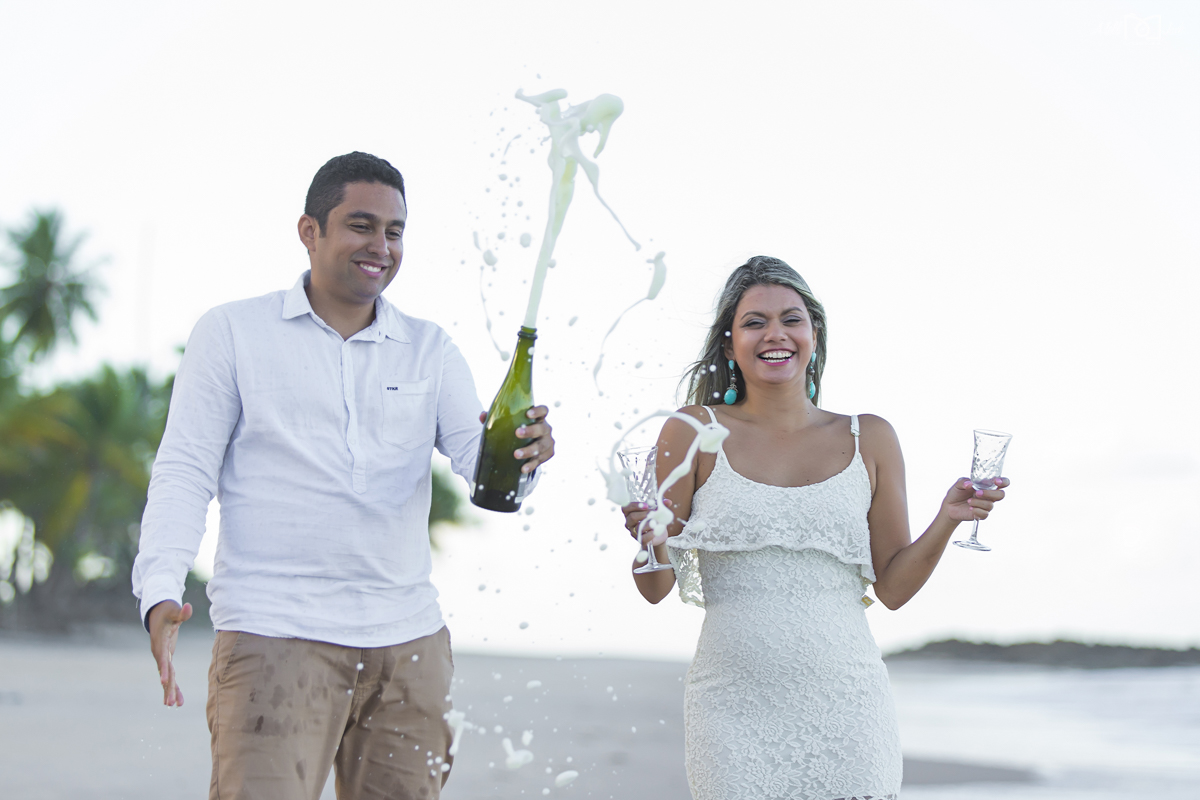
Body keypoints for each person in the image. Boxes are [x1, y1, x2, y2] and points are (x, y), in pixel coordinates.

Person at [131, 151, 555, 800]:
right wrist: (160, 588)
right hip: (273, 635)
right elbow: (185, 469)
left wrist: (525, 454)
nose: (381, 246)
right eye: (361, 225)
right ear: (310, 231)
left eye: (394, 231)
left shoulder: (430, 348)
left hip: (409, 646)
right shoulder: (233, 332)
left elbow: (482, 467)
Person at [621, 256, 1008, 800]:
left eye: (791, 319)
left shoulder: (870, 437)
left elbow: (894, 590)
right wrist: (650, 540)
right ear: (730, 345)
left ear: (814, 336)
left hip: (851, 710)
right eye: (754, 322)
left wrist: (947, 518)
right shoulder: (691, 430)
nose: (775, 334)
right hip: (731, 712)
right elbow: (654, 588)